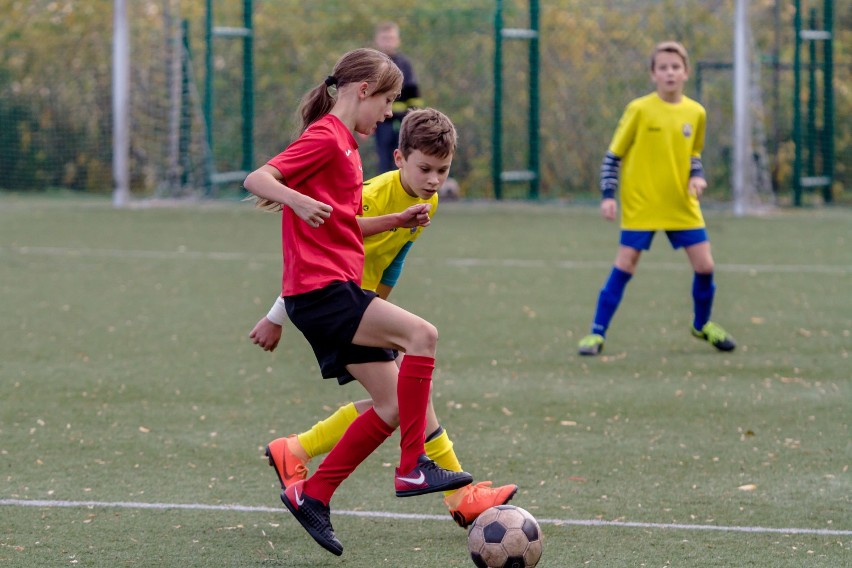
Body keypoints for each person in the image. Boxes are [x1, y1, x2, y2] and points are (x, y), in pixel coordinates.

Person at [242, 49, 472, 556]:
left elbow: (345, 224)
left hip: (331, 290)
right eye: (387, 100)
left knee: (391, 405)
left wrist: (396, 221)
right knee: (423, 336)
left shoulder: (347, 144)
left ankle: (314, 495)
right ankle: (413, 467)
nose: (389, 113)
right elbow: (257, 179)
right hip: (321, 291)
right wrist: (297, 201)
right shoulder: (326, 136)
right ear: (362, 89)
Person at [250, 108, 517, 530]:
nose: (433, 179)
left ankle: (296, 450)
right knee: (409, 396)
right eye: (425, 168)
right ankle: (460, 497)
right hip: (337, 303)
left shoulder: (426, 199)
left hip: (363, 304)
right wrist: (275, 315)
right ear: (398, 159)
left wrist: (382, 306)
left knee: (398, 402)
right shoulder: (373, 195)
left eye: (442, 171)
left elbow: (395, 259)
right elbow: (319, 249)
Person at [577, 41, 736, 356]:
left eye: (676, 67)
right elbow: (613, 157)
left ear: (686, 73)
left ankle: (702, 324)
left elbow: (693, 155)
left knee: (705, 266)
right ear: (653, 74)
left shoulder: (696, 112)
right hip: (642, 205)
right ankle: (596, 333)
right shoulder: (638, 109)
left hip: (681, 204)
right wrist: (608, 196)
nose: (670, 73)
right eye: (663, 68)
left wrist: (696, 176)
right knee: (625, 264)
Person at [373, 21, 423, 173]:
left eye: (391, 38)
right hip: (380, 123)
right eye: (384, 38)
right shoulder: (373, 63)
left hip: (402, 121)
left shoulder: (405, 64)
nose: (388, 41)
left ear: (397, 40)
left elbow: (414, 92)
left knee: (401, 158)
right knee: (384, 159)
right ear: (377, 40)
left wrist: (414, 116)